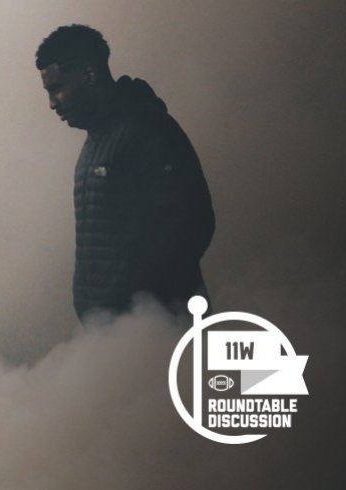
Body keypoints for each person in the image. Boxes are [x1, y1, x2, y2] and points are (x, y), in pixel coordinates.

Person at [35, 24, 215, 322]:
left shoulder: (148, 129)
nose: (52, 104)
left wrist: (138, 309)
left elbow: (194, 225)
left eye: (57, 88)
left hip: (158, 330)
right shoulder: (98, 140)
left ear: (88, 73)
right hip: (122, 334)